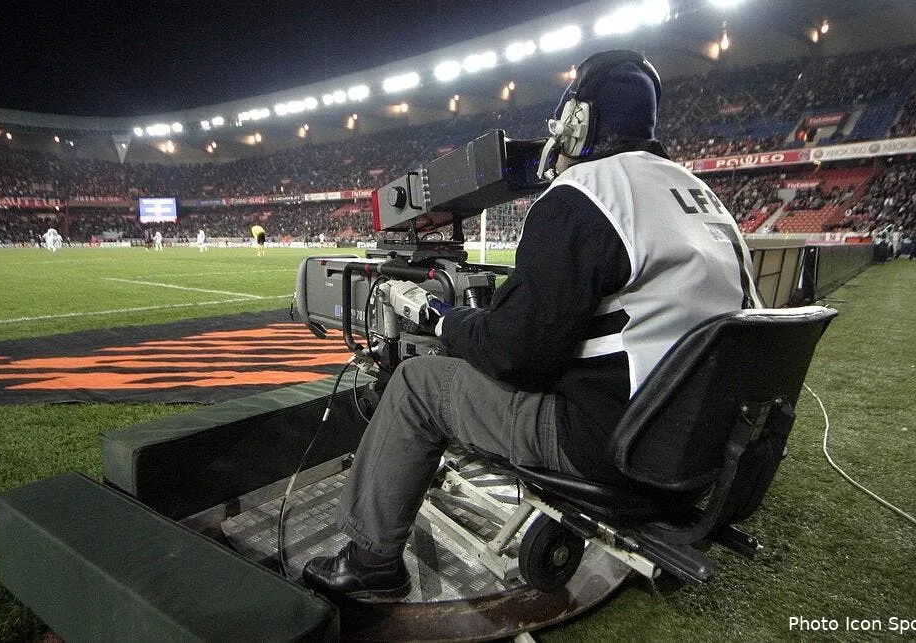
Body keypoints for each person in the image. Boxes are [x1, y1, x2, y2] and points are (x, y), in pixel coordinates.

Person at [301, 50, 762, 600]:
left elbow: (516, 355)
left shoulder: (588, 193)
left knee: (417, 385)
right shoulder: (704, 200)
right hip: (703, 454)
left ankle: (371, 560)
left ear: (578, 121)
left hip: (616, 449)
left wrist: (445, 321)